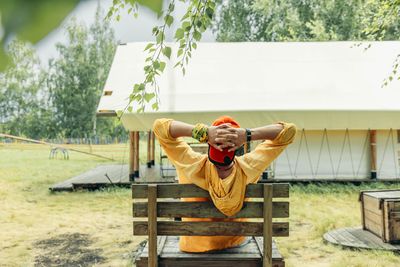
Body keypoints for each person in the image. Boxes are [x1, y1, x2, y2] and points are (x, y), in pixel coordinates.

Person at [153, 116, 296, 253]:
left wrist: (204, 132)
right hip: (236, 245)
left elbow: (160, 126)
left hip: (194, 247)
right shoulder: (250, 167)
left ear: (210, 146)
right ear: (238, 149)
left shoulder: (191, 164)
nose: (221, 170)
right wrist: (247, 135)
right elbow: (289, 131)